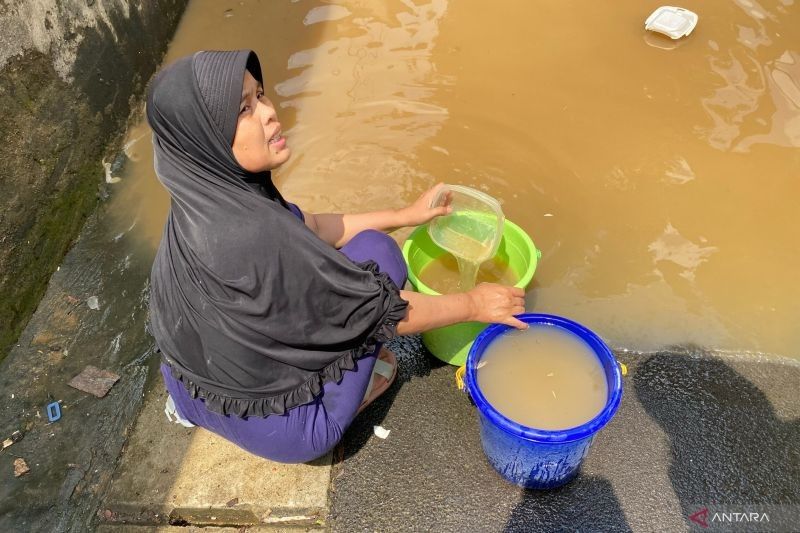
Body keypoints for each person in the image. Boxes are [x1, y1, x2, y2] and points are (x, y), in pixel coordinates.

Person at [146, 49, 526, 464]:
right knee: (381, 258)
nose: (270, 113)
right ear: (206, 137)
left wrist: (405, 215)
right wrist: (474, 303)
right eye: (243, 110)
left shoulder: (202, 198)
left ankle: (189, 412)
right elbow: (382, 313)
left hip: (189, 388)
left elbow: (314, 226)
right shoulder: (258, 236)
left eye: (261, 95)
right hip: (287, 429)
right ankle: (349, 397)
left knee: (373, 246)